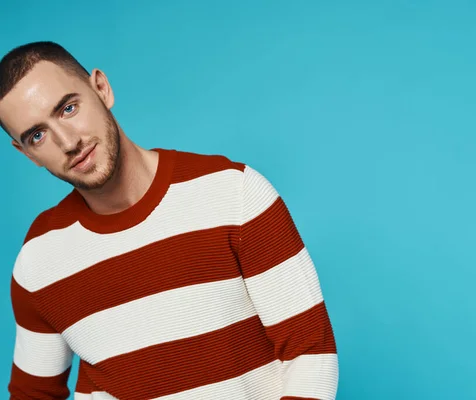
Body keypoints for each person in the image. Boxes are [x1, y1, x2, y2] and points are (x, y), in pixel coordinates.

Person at [0, 41, 338, 400]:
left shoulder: (235, 195)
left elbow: (310, 352)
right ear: (26, 153)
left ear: (101, 88)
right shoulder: (39, 260)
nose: (68, 142)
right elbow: (33, 394)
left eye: (68, 108)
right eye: (37, 135)